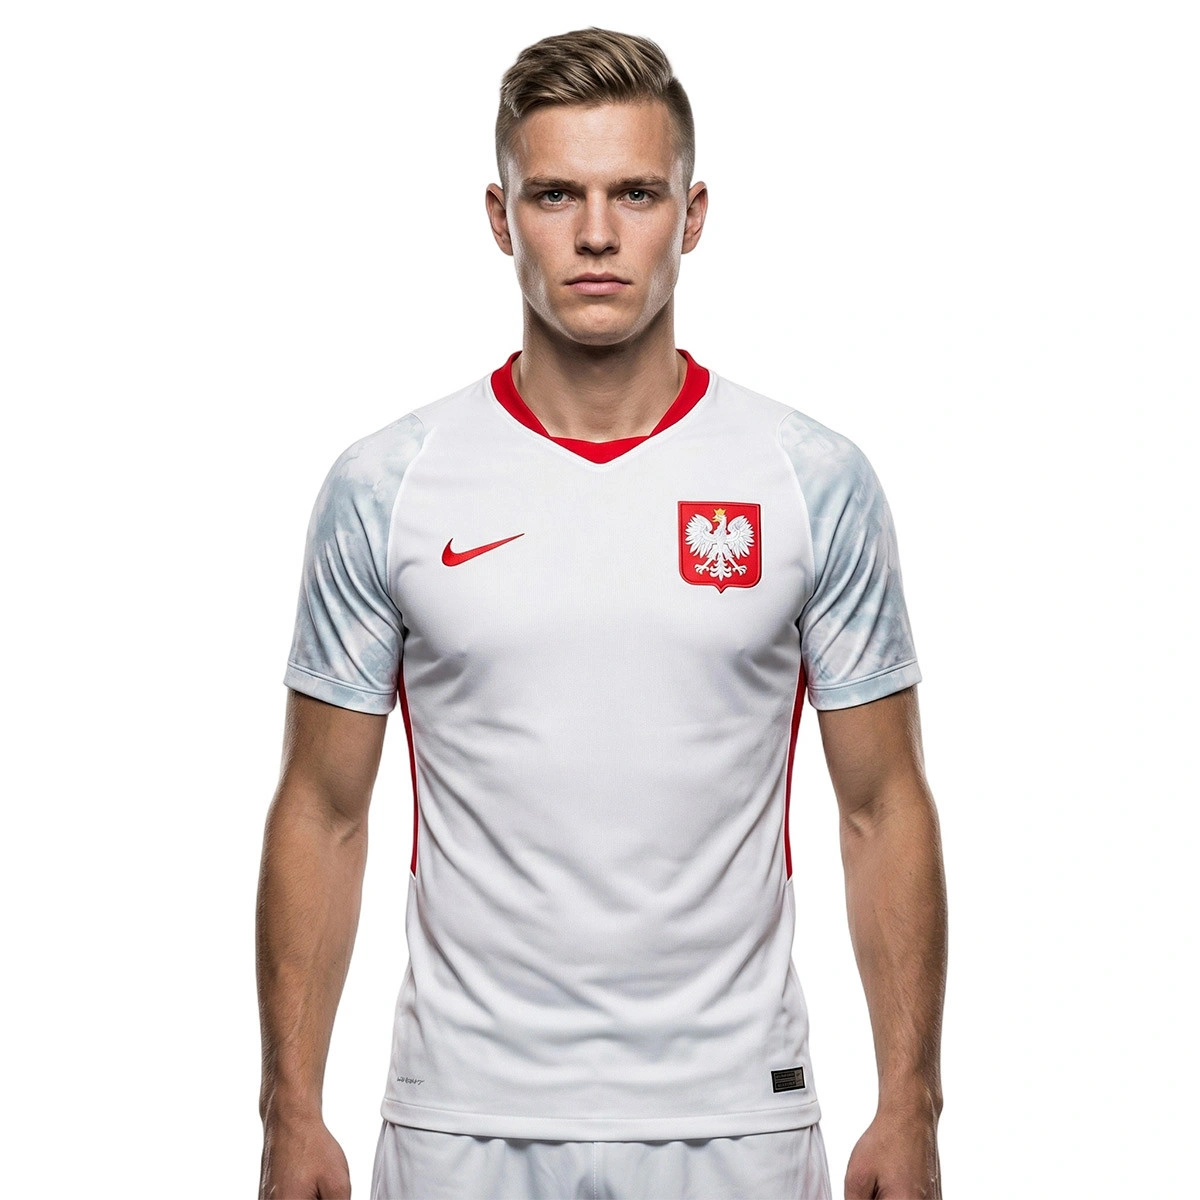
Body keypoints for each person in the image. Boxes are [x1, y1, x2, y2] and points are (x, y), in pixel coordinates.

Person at [256, 25, 947, 1200]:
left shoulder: (810, 478)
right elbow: (322, 809)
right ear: (499, 216)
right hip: (462, 1119)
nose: (594, 234)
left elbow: (883, 805)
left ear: (692, 213)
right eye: (555, 195)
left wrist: (911, 1105)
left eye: (635, 192)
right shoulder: (389, 485)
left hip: (736, 1119)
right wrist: (290, 1112)